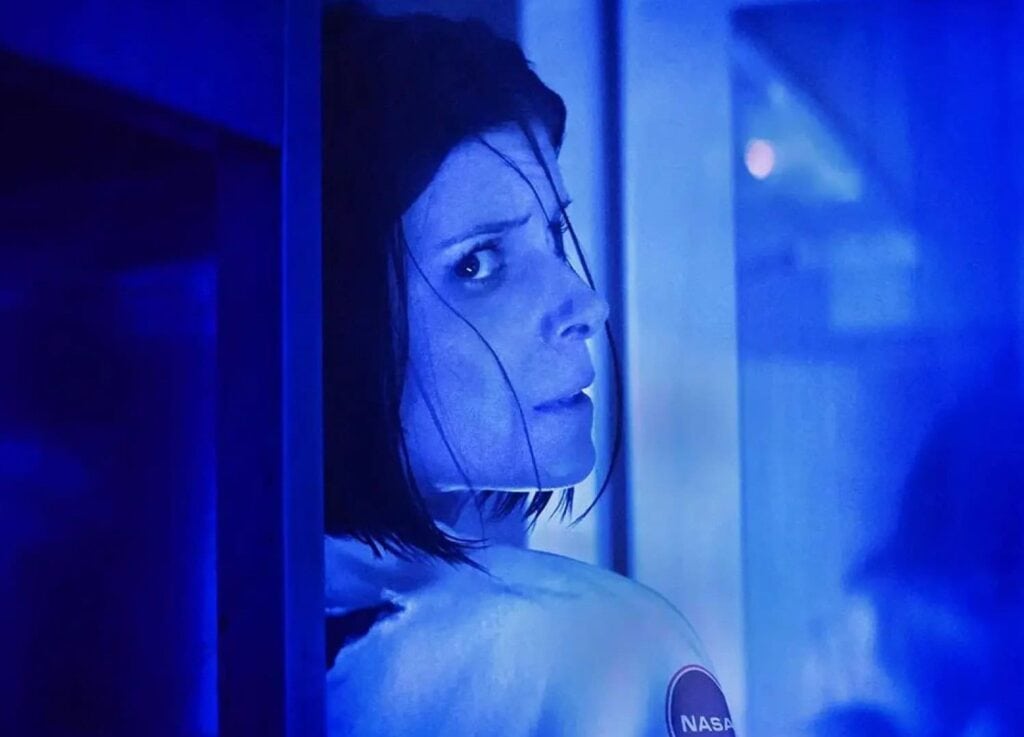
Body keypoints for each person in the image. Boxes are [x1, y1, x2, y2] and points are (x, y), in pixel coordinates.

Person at [321, 5, 730, 735]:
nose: (586, 304)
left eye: (554, 236)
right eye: (479, 263)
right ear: (334, 311)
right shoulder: (602, 652)